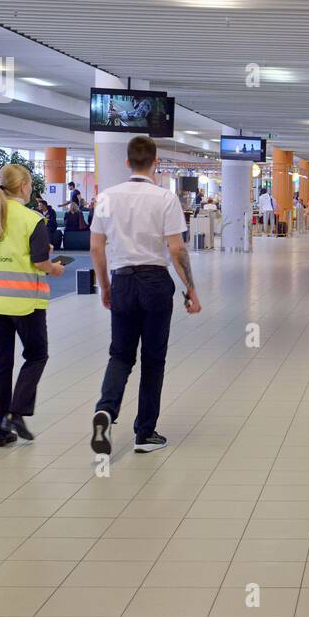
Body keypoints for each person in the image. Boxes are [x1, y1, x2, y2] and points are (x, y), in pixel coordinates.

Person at [90, 136, 202, 456]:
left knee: (121, 356)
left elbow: (97, 249)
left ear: (127, 162)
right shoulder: (164, 199)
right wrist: (190, 289)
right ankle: (145, 432)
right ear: (155, 163)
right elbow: (176, 248)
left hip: (122, 280)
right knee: (153, 360)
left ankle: (106, 411)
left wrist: (106, 287)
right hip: (154, 282)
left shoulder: (107, 198)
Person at [0, 163, 65, 447]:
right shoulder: (31, 219)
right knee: (37, 355)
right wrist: (55, 268)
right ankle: (16, 412)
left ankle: (0, 431)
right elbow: (40, 263)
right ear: (24, 186)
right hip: (25, 301)